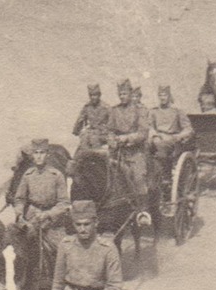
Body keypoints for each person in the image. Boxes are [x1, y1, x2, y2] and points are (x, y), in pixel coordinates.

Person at [13, 137, 70, 251]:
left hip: (52, 222)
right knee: (18, 250)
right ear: (32, 155)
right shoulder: (28, 175)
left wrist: (48, 214)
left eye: (42, 153)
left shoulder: (56, 175)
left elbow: (64, 203)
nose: (39, 156)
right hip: (31, 219)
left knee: (63, 250)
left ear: (48, 155)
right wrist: (19, 214)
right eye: (36, 153)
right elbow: (19, 199)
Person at [106, 79, 151, 210]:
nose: (122, 96)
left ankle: (143, 211)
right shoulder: (114, 110)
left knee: (138, 178)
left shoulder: (139, 110)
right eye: (120, 94)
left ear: (131, 93)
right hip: (117, 153)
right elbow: (109, 130)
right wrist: (111, 140)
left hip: (136, 153)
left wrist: (126, 138)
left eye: (125, 93)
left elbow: (143, 133)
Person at [148, 86, 194, 179]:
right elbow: (149, 126)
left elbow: (188, 128)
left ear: (169, 96)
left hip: (172, 139)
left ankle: (164, 175)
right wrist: (153, 134)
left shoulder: (177, 111)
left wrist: (179, 136)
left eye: (164, 95)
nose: (162, 98)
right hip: (157, 137)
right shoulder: (154, 111)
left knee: (160, 145)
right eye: (160, 95)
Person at [72, 84, 111, 152]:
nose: (93, 97)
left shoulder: (106, 107)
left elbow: (112, 122)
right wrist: (76, 130)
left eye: (95, 95)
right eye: (91, 95)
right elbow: (80, 120)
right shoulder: (87, 107)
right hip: (90, 133)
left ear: (99, 95)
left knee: (94, 142)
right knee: (83, 142)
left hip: (103, 134)